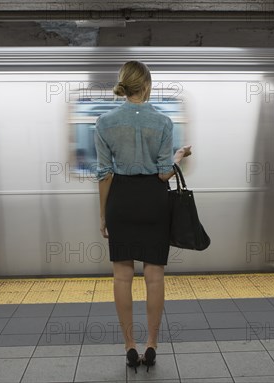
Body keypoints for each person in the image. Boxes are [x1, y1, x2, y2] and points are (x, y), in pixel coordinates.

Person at [95, 61, 192, 373]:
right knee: (154, 277)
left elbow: (104, 174)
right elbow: (164, 174)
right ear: (147, 86)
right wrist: (178, 157)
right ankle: (151, 344)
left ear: (124, 86)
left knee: (122, 277)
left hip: (120, 201)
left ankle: (129, 346)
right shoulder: (163, 122)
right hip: (153, 200)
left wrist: (103, 215)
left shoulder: (104, 122)